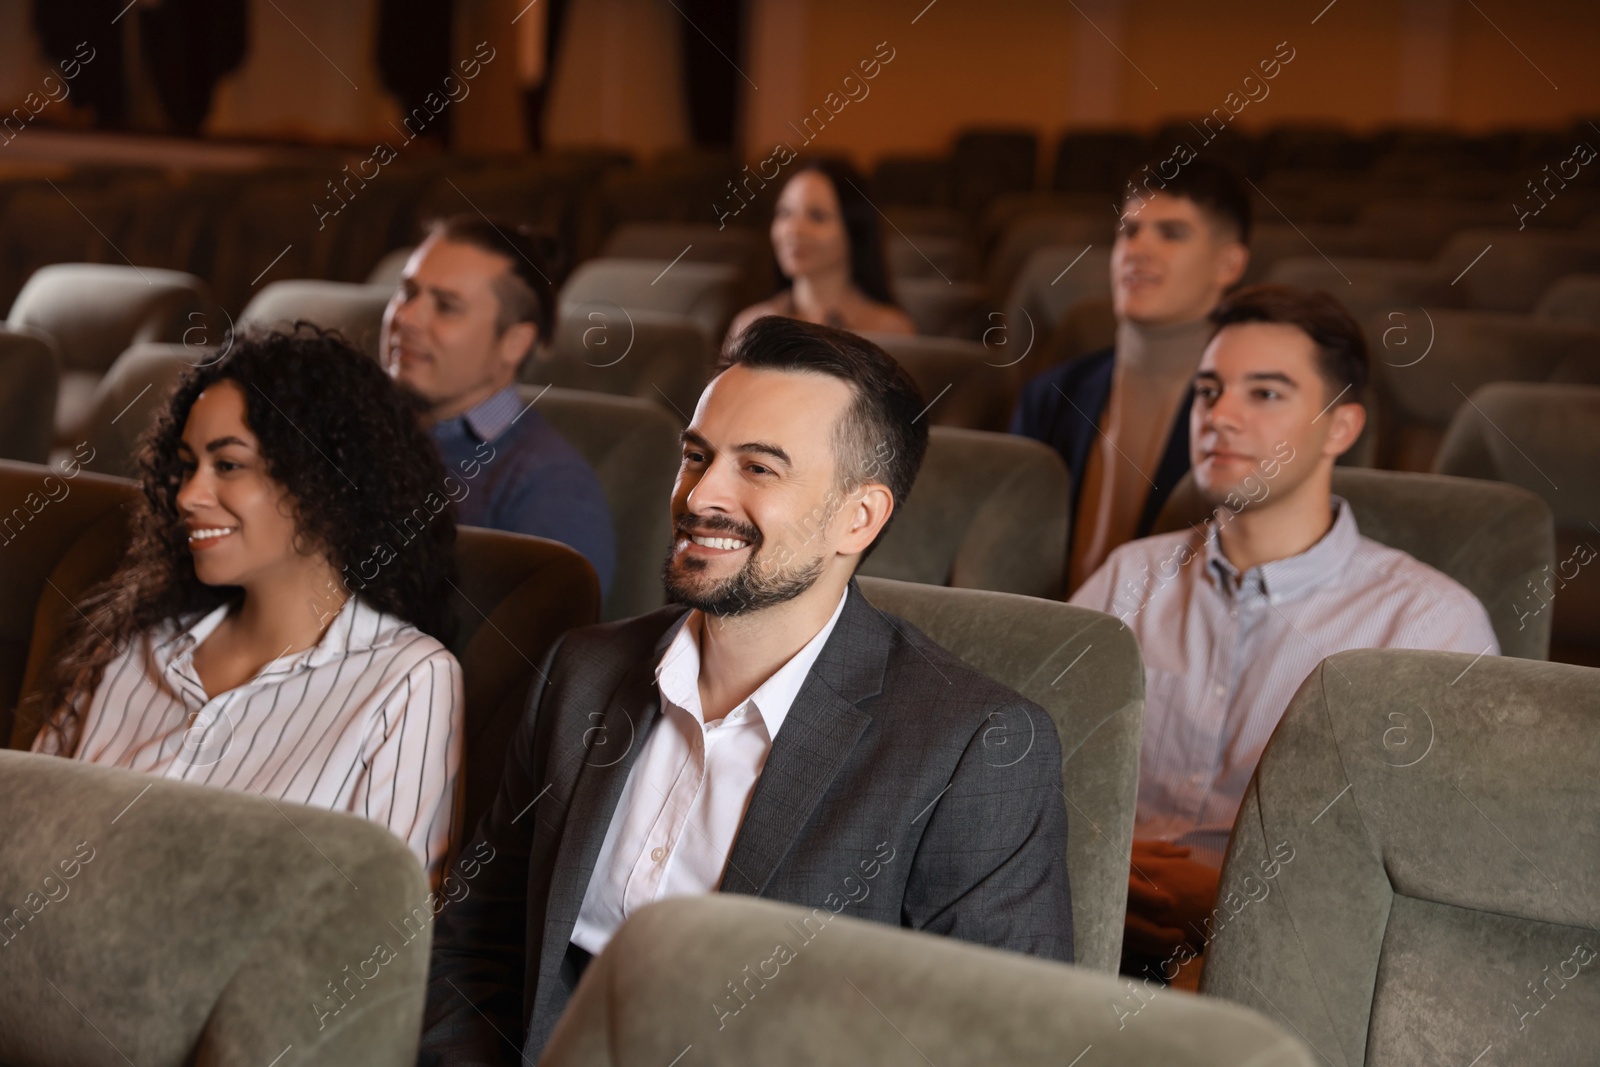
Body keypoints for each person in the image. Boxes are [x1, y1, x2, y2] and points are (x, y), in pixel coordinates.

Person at [418, 316, 1072, 1063]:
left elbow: (1002, 1048)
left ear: (858, 517)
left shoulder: (973, 749)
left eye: (758, 468)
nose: (701, 496)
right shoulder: (580, 673)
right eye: (696, 455)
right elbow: (476, 946)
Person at [1070, 285, 1498, 983]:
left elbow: (1439, 866)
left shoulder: (1430, 623)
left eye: (1265, 394)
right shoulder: (1128, 577)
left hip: (1299, 967)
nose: (1219, 416)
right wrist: (1099, 859)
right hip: (1084, 922)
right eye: (1208, 390)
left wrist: (1236, 900)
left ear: (1341, 427)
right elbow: (1033, 758)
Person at [28, 328, 466, 888]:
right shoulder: (130, 641)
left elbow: (386, 932)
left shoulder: (410, 681)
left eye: (227, 465)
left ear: (322, 481)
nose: (188, 495)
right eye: (187, 465)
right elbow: (22, 834)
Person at [1010, 158, 1252, 592]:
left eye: (1172, 234)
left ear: (1229, 264)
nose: (1138, 249)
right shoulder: (1050, 394)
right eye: (1129, 231)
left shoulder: (1252, 409)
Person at [382, 214, 616, 599]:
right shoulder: (358, 431)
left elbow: (542, 652)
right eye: (407, 293)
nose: (405, 318)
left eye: (446, 306)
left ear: (515, 342)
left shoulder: (550, 487)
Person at [726, 158, 916, 341]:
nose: (794, 230)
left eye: (817, 216)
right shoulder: (749, 324)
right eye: (785, 213)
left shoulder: (889, 331)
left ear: (855, 229)